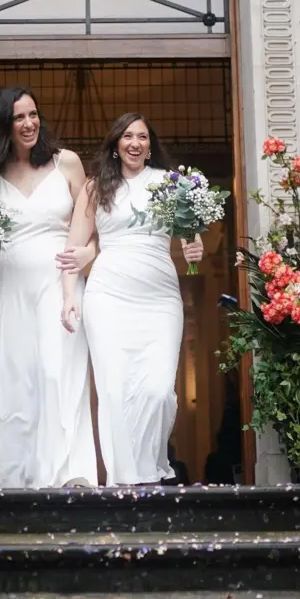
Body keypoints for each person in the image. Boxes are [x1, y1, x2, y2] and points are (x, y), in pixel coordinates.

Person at [59, 113, 203, 487]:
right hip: (108, 295)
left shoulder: (171, 185)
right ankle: (125, 480)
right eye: (127, 136)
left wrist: (194, 246)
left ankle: (146, 472)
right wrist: (69, 296)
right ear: (116, 144)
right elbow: (74, 248)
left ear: (150, 145)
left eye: (142, 137)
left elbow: (190, 237)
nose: (135, 143)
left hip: (159, 297)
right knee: (113, 389)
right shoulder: (95, 188)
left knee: (156, 390)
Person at [0, 87, 97, 489]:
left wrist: (90, 253)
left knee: (57, 373)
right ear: (5, 124)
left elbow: (97, 225)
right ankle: (13, 474)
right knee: (15, 377)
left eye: (33, 114)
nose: (29, 123)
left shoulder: (67, 164)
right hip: (8, 290)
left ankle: (65, 472)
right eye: (19, 117)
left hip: (59, 286)